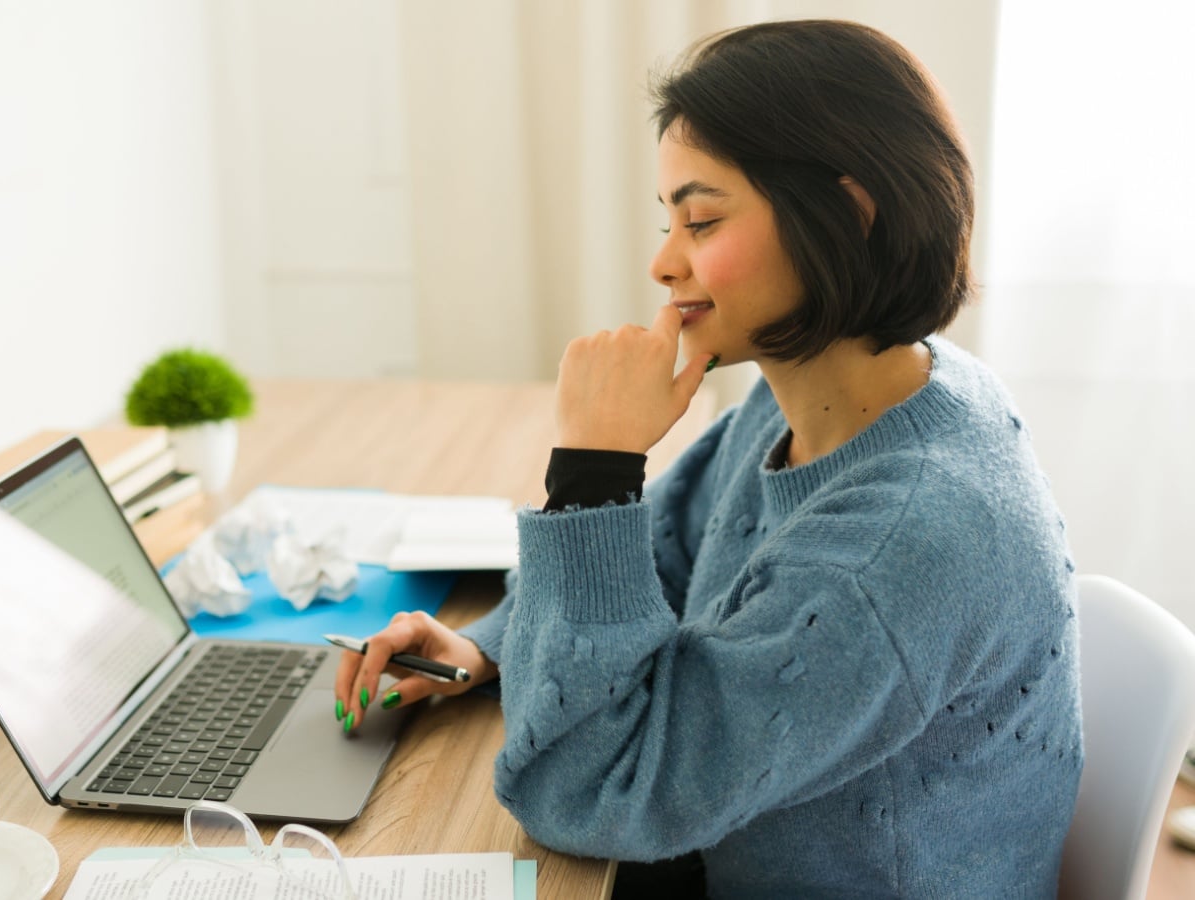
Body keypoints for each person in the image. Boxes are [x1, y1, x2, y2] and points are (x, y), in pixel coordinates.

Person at [333, 18, 1082, 899]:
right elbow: (666, 559)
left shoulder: (902, 538)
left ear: (846, 214)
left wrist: (592, 468)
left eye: (701, 219)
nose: (662, 262)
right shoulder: (834, 393)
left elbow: (589, 794)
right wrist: (488, 644)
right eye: (670, 221)